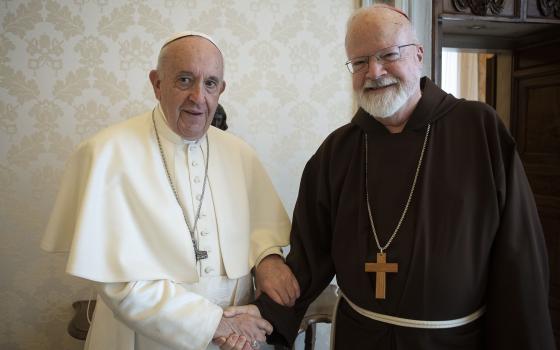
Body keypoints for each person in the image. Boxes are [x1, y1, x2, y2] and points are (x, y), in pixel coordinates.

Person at [224, 4, 556, 350]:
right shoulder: (337, 151)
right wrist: (261, 316)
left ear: (418, 55)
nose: (374, 71)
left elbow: (519, 255)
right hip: (360, 338)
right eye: (360, 62)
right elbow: (308, 259)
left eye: (388, 54)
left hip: (453, 342)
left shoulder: (479, 129)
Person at [41, 31, 300, 350]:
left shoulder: (239, 154)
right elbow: (121, 282)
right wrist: (214, 323)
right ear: (157, 83)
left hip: (237, 336)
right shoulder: (107, 153)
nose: (198, 97)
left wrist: (268, 259)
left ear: (221, 89)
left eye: (210, 84)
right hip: (145, 338)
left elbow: (261, 230)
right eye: (184, 80)